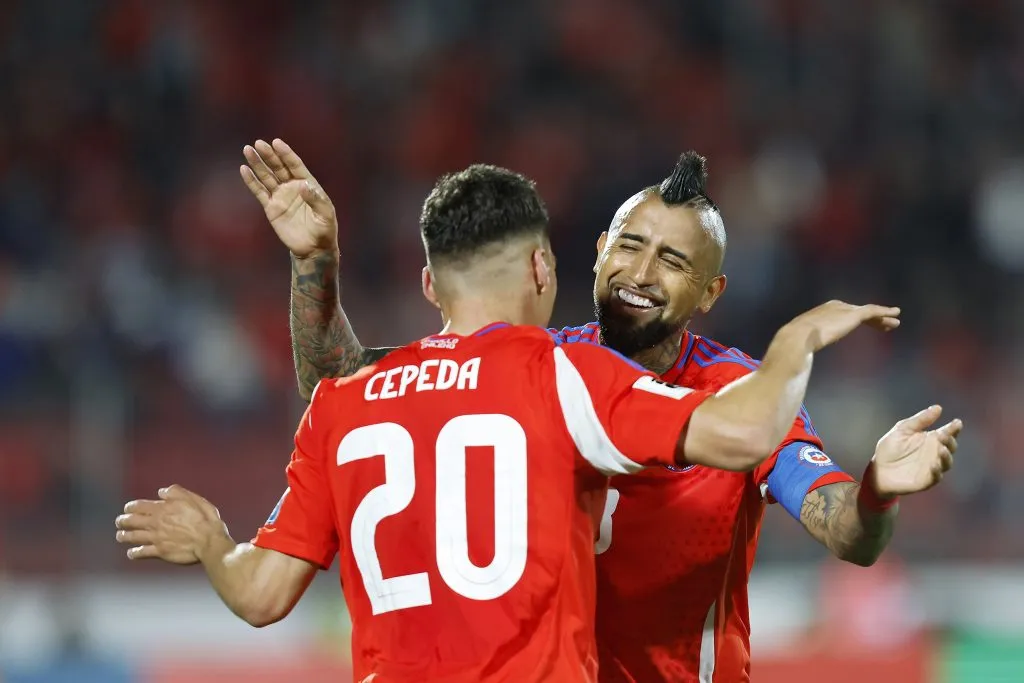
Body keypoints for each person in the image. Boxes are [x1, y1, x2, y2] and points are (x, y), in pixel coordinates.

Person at [117, 154, 906, 683]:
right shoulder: (549, 368)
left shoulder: (727, 386)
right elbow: (348, 380)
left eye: (672, 260)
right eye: (630, 245)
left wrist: (876, 490)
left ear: (710, 291)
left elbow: (844, 526)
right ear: (585, 255)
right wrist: (315, 265)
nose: (640, 271)